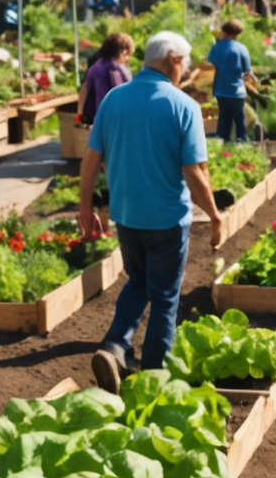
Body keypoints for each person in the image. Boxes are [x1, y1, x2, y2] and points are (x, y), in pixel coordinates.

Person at [80, 32, 224, 393]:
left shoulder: (114, 99)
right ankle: (154, 377)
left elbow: (91, 160)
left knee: (139, 281)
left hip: (126, 216)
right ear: (174, 59)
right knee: (164, 298)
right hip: (166, 221)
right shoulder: (183, 106)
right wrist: (216, 215)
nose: (186, 69)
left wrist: (85, 210)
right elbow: (194, 172)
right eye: (185, 63)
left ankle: (114, 347)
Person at [206, 18, 258, 142]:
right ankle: (242, 143)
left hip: (221, 90)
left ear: (224, 31)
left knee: (224, 121)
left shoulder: (217, 48)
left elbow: (211, 68)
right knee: (240, 120)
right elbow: (247, 71)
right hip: (238, 91)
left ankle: (223, 147)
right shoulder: (242, 49)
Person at [77, 33, 134, 127]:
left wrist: (80, 113)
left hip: (100, 120)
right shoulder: (119, 70)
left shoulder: (95, 67)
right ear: (124, 52)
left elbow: (85, 89)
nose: (128, 59)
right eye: (129, 55)